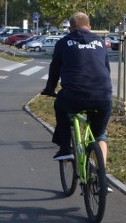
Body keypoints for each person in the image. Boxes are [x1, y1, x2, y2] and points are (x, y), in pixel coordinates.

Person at [41, 12, 113, 164]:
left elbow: (54, 69)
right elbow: (106, 68)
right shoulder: (100, 42)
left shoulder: (62, 43)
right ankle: (102, 179)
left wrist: (50, 89)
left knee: (60, 106)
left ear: (70, 29)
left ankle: (66, 149)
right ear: (90, 27)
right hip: (103, 96)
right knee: (99, 134)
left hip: (74, 96)